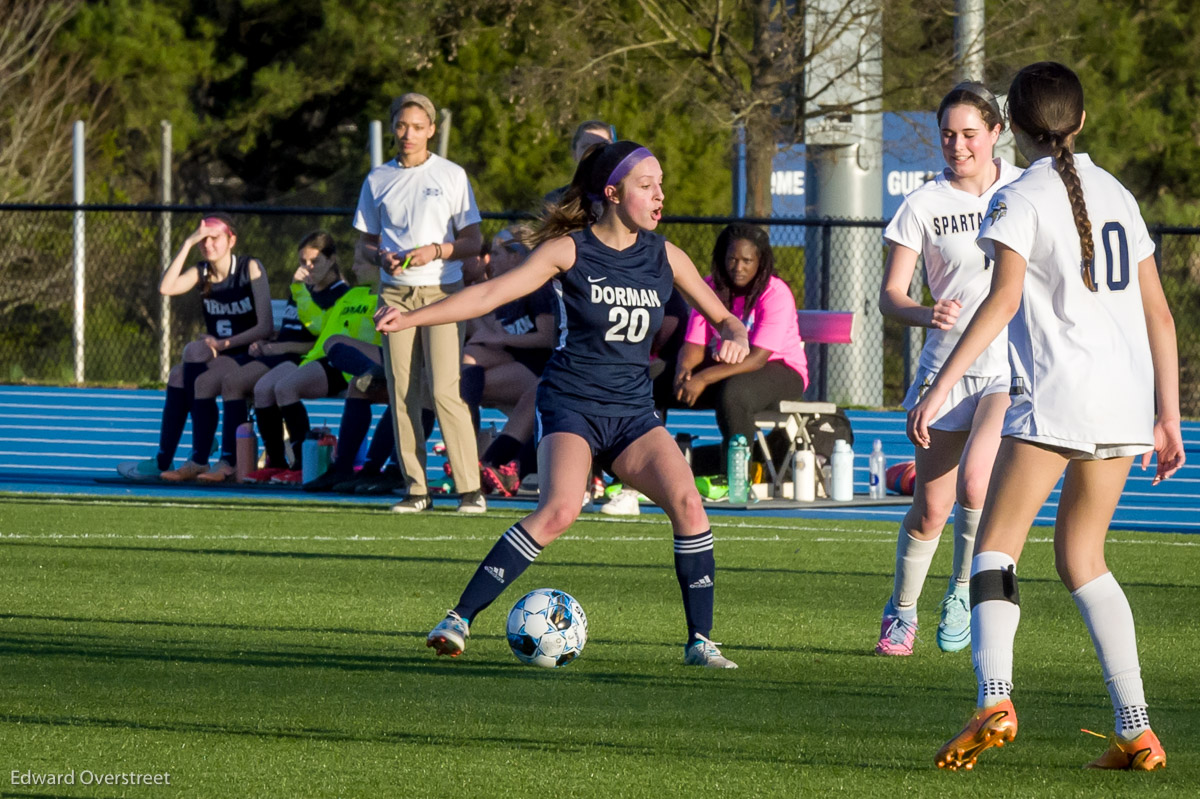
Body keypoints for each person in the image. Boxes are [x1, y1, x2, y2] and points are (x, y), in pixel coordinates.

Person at [375, 140, 751, 668]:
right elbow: (490, 295)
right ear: (612, 193)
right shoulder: (569, 250)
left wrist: (733, 332)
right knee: (559, 510)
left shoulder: (665, 254)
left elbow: (726, 318)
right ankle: (458, 619)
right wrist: (413, 317)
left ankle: (701, 643)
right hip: (572, 403)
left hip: (632, 414)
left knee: (690, 506)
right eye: (648, 185)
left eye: (661, 183)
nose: (660, 193)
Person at [909, 62, 1184, 771]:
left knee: (994, 550)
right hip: (1125, 402)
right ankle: (1136, 729)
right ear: (1080, 121)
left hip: (1057, 397)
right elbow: (1160, 313)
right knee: (1084, 560)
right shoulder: (1118, 192)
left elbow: (999, 303)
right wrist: (1170, 417)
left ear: (1016, 131)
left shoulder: (1019, 195)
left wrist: (939, 390)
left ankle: (993, 697)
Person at [873, 83, 1022, 655]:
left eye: (968, 134)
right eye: (947, 135)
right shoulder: (924, 203)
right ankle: (902, 609)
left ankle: (960, 591)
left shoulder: (1021, 191)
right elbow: (890, 295)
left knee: (978, 482)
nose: (957, 145)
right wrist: (921, 311)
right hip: (945, 371)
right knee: (931, 508)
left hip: (1008, 369)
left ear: (994, 133)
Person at [353, 92, 485, 513]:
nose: (407, 134)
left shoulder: (451, 175)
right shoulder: (377, 179)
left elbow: (473, 241)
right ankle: (415, 489)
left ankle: (470, 489)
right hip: (394, 294)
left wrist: (437, 251)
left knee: (445, 389)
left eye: (416, 126)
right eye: (401, 125)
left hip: (442, 293)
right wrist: (382, 258)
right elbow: (366, 245)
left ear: (432, 129)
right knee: (402, 391)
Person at [117, 215, 272, 481]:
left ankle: (201, 453)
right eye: (203, 239)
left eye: (215, 238)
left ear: (231, 240)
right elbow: (166, 288)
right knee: (182, 367)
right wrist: (188, 243)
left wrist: (223, 343)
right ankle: (164, 459)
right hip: (219, 352)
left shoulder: (250, 268)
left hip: (247, 351)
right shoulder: (202, 272)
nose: (208, 244)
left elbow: (266, 326)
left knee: (194, 355)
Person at [192, 231, 331, 482]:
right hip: (278, 353)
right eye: (302, 262)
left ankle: (236, 461)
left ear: (331, 261)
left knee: (244, 383)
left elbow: (322, 337)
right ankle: (272, 462)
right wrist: (269, 341)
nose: (307, 268)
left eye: (314, 262)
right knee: (228, 381)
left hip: (300, 359)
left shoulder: (333, 293)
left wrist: (279, 347)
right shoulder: (302, 288)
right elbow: (294, 327)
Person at [671, 223, 808, 469]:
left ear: (760, 262)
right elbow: (694, 343)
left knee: (734, 394)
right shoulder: (710, 288)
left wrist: (702, 379)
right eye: (732, 259)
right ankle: (629, 475)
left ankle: (735, 476)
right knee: (651, 380)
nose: (738, 267)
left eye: (747, 260)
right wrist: (684, 371)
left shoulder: (775, 293)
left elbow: (757, 358)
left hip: (781, 370)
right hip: (724, 369)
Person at [246, 238, 380, 484]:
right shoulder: (353, 295)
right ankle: (276, 462)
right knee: (263, 389)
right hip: (321, 359)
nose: (355, 268)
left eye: (361, 264)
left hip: (348, 367)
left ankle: (300, 465)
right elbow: (317, 323)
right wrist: (298, 289)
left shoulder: (383, 298)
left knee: (286, 388)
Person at [459, 228, 555, 496]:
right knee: (468, 360)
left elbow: (547, 337)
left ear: (516, 257)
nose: (491, 259)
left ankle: (480, 461)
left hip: (540, 369)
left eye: (498, 252)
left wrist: (502, 338)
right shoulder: (506, 292)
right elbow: (483, 335)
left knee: (462, 379)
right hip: (517, 365)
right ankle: (474, 460)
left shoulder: (537, 288)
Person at [542, 120, 614, 207]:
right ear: (574, 153)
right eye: (586, 146)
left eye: (602, 146)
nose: (593, 151)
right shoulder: (556, 200)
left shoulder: (626, 195)